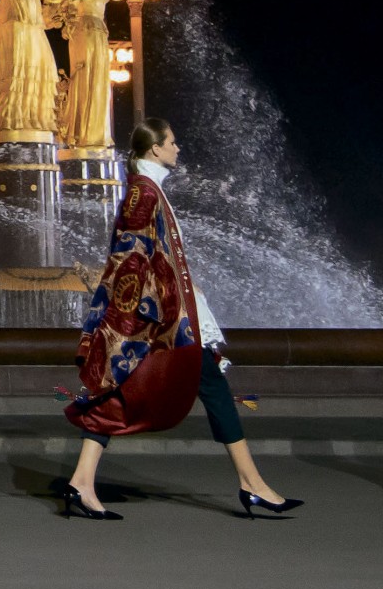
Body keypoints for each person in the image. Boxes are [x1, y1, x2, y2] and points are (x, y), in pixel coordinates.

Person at [60, 118, 302, 520]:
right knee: (199, 390)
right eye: (172, 142)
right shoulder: (143, 192)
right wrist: (150, 312)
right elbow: (130, 257)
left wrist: (188, 288)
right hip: (167, 322)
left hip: (172, 317)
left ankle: (82, 482)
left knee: (127, 391)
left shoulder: (149, 189)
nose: (177, 147)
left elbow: (157, 256)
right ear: (155, 148)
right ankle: (252, 485)